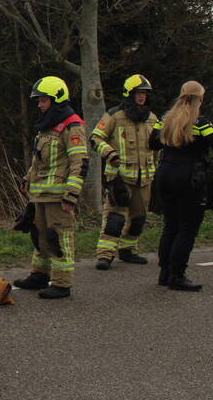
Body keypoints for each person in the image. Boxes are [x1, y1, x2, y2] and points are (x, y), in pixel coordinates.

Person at [149, 81, 213, 291]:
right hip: (189, 178)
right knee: (187, 228)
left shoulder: (166, 119)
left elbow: (152, 143)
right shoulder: (200, 123)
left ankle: (165, 272)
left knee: (170, 225)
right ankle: (177, 275)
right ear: (201, 99)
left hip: (165, 174)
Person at [13, 76, 88, 299]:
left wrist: (71, 195)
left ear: (57, 99)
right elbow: (39, 161)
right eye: (39, 100)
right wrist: (27, 178)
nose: (39, 105)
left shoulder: (72, 126)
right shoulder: (46, 126)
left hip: (58, 197)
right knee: (39, 237)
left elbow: (79, 162)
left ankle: (62, 283)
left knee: (58, 238)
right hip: (40, 195)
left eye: (43, 100)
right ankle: (39, 275)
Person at [89, 74, 159, 269]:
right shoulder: (115, 115)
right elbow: (95, 138)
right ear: (129, 94)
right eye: (138, 93)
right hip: (119, 178)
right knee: (115, 218)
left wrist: (156, 170)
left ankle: (128, 250)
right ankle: (105, 255)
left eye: (145, 93)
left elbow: (156, 149)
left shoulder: (152, 119)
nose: (142, 96)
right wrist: (110, 154)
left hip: (144, 179)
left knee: (139, 218)